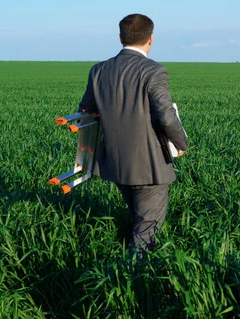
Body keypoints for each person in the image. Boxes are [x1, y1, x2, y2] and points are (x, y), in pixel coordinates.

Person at [78, 13, 188, 255]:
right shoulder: (153, 71)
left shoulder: (98, 71)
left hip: (115, 163)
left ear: (120, 38)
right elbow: (166, 116)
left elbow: (86, 111)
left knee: (139, 217)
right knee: (148, 229)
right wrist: (182, 143)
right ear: (150, 39)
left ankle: (128, 261)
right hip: (149, 165)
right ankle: (133, 279)